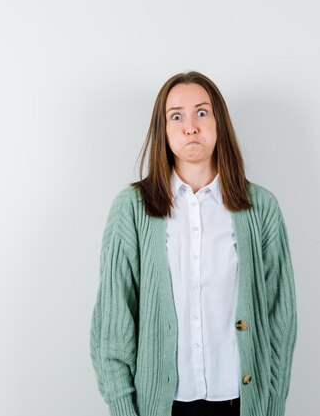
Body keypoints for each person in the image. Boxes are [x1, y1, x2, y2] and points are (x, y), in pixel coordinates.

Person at [90, 71, 298, 416]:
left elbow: (281, 316)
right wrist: (122, 407)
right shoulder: (132, 209)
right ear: (164, 130)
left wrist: (271, 403)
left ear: (219, 124)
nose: (191, 126)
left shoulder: (261, 208)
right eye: (176, 116)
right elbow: (113, 321)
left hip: (241, 403)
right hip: (162, 406)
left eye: (202, 112)